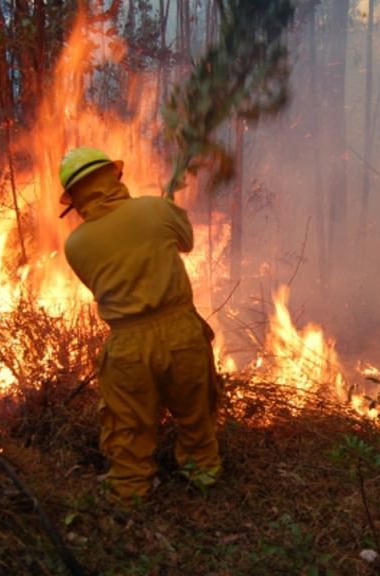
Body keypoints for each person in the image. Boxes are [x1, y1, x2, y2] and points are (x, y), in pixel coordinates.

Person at [58, 147, 222, 504]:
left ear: (74, 199)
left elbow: (104, 281)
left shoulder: (75, 245)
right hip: (182, 335)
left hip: (127, 347)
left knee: (127, 429)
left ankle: (130, 495)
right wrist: (162, 213)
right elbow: (187, 242)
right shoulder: (156, 209)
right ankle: (203, 478)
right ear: (114, 177)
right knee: (196, 417)